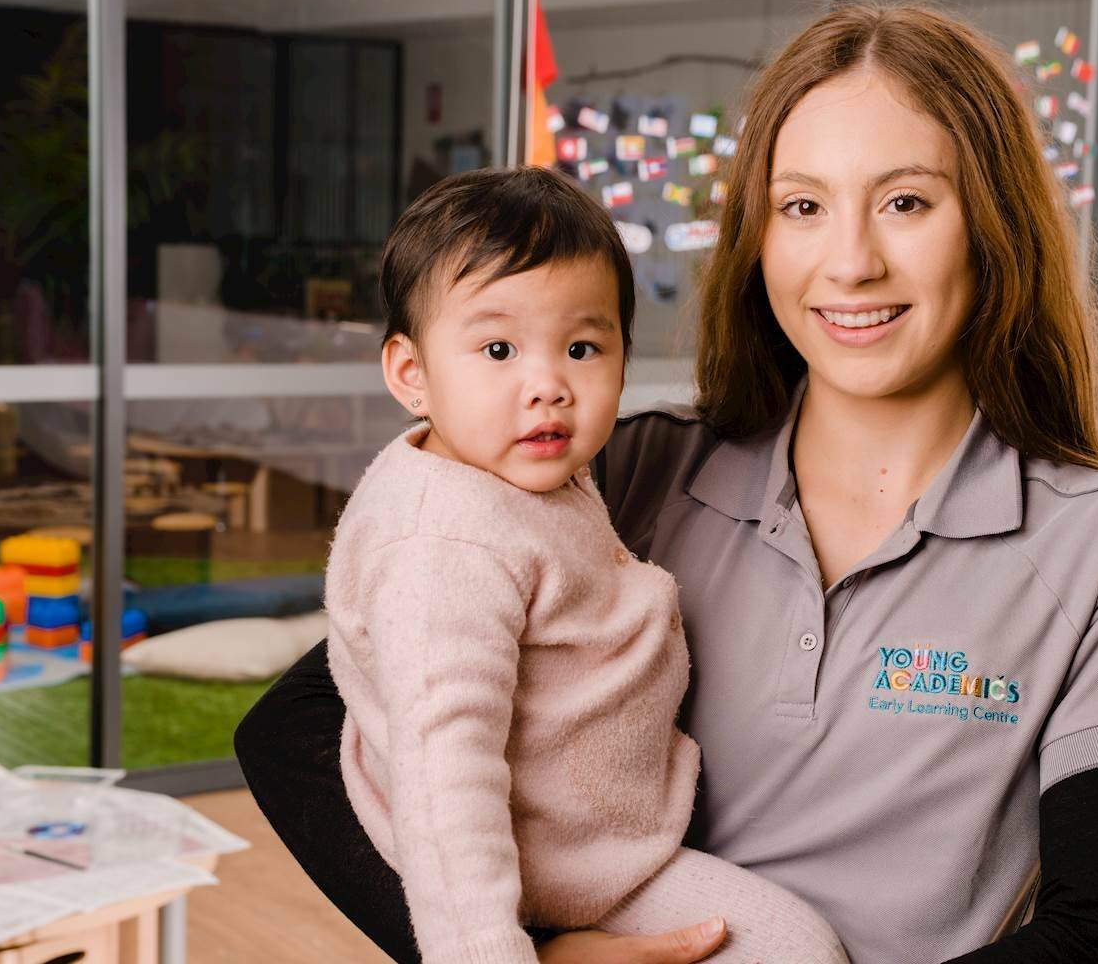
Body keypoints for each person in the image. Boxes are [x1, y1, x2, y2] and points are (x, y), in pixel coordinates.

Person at [237, 2, 1098, 963]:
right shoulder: (617, 476)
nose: (848, 261)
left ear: (991, 227)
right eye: (801, 205)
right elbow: (304, 729)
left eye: (904, 202)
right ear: (757, 239)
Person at [327, 165, 847, 963]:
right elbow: (443, 787)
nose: (548, 386)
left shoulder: (513, 474)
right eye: (498, 348)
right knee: (796, 952)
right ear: (411, 374)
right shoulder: (442, 549)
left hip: (602, 844)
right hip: (541, 866)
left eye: (582, 346)